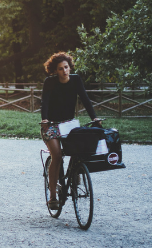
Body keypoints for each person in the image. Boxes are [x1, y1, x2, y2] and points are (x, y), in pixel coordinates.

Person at [40, 52, 102, 210]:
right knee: (57, 155)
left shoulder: (76, 80)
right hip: (52, 125)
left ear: (70, 67)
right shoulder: (50, 82)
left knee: (80, 149)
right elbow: (45, 103)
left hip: (68, 124)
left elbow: (85, 99)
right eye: (60, 69)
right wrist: (45, 119)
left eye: (66, 67)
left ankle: (76, 173)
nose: (64, 71)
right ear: (55, 70)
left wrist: (94, 118)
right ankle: (53, 196)